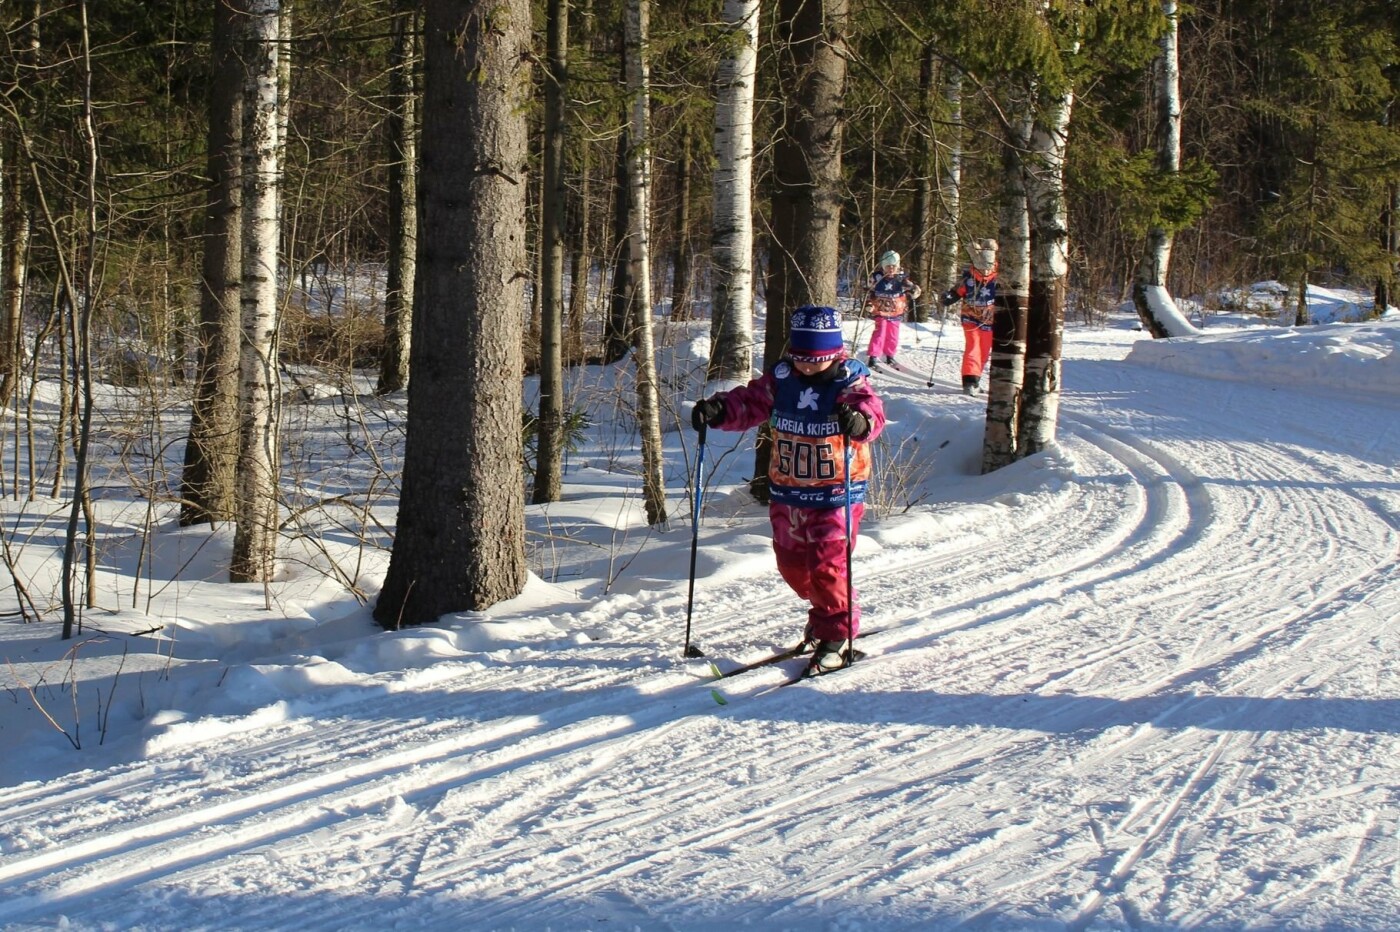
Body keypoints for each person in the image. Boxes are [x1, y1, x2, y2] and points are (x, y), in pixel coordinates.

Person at [691, 305, 886, 676]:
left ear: (834, 355)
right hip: (789, 491)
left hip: (836, 494)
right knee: (794, 567)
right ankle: (824, 613)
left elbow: (871, 410)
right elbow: (748, 402)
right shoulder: (781, 381)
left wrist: (860, 421)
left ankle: (837, 634)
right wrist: (718, 410)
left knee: (828, 564)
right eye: (800, 358)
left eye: (816, 360)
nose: (807, 367)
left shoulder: (849, 382)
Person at [942, 238, 999, 395]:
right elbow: (957, 291)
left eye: (987, 269)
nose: (984, 272)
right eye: (981, 269)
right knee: (973, 347)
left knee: (984, 351)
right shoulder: (969, 278)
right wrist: (949, 297)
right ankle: (969, 381)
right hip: (971, 318)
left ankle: (976, 378)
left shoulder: (999, 277)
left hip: (989, 320)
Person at [863, 250, 922, 367]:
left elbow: (913, 288)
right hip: (880, 310)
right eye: (888, 266)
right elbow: (869, 292)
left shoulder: (901, 278)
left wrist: (915, 291)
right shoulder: (877, 278)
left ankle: (890, 355)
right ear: (883, 266)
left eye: (893, 266)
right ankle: (874, 356)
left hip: (896, 312)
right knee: (880, 333)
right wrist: (869, 304)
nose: (891, 269)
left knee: (893, 335)